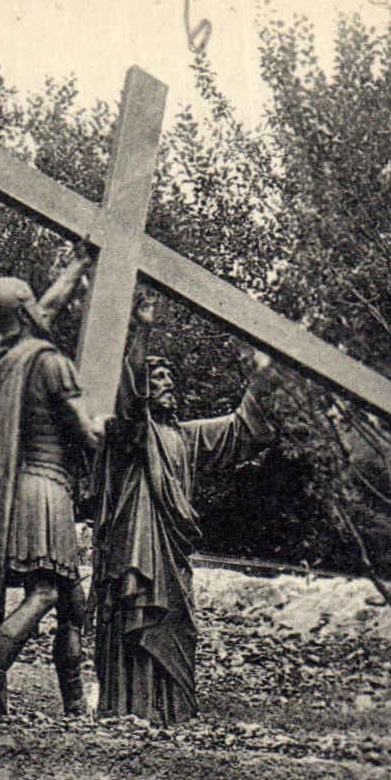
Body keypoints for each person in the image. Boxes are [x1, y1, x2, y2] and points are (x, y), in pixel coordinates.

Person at [91, 294, 274, 724]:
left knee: (177, 621)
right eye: (158, 378)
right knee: (138, 616)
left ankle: (172, 712)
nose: (168, 383)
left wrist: (264, 374)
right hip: (137, 549)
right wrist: (142, 329)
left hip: (172, 555)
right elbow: (129, 398)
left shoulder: (185, 437)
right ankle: (131, 709)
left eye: (170, 378)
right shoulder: (133, 433)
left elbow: (240, 430)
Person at [0, 257, 108, 715]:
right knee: (45, 592)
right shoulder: (51, 363)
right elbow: (89, 435)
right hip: (48, 490)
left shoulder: (0, 364)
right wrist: (117, 426)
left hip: (18, 490)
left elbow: (44, 307)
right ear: (26, 311)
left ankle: (74, 704)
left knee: (73, 601)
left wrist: (78, 264)